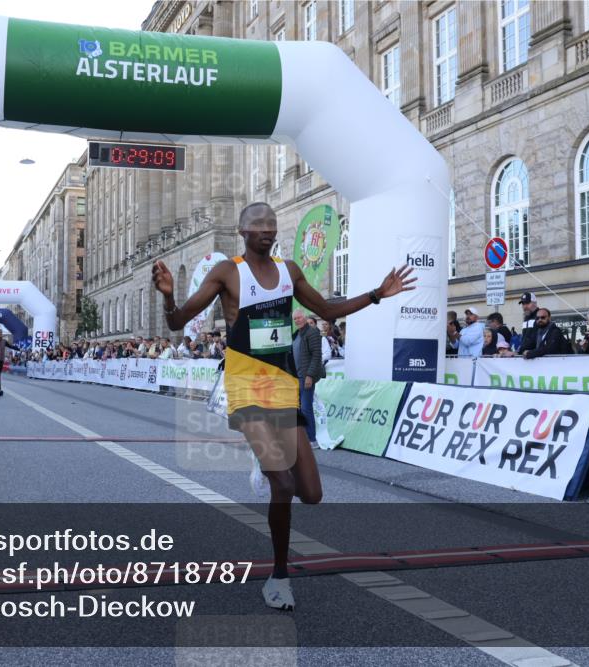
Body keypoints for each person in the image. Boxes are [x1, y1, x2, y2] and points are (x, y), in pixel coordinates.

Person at [151, 202, 415, 611]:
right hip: (244, 386)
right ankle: (278, 577)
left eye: (272, 224)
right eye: (258, 224)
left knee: (311, 494)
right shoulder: (227, 272)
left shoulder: (290, 272)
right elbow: (176, 321)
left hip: (283, 386)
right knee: (285, 486)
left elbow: (326, 310)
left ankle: (264, 461)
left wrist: (377, 294)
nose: (267, 230)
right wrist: (169, 299)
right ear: (242, 229)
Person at [292, 309, 324, 448]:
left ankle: (312, 440)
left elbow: (316, 356)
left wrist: (309, 376)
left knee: (306, 408)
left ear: (304, 317)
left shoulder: (312, 333)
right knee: (298, 409)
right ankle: (303, 438)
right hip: (296, 377)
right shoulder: (296, 335)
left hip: (306, 377)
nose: (297, 320)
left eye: (299, 317)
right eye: (295, 319)